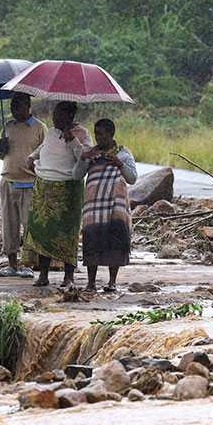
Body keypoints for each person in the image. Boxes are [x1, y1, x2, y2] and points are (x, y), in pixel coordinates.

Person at [23, 101, 92, 287]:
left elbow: (86, 157)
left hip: (67, 189)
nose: (55, 118)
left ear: (70, 116)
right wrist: (32, 156)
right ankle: (43, 275)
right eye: (54, 114)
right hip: (43, 185)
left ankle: (68, 277)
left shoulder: (82, 134)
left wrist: (72, 140)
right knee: (43, 231)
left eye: (59, 115)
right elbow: (44, 147)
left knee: (67, 234)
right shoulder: (52, 131)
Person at [75, 118, 137, 293]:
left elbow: (132, 178)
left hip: (114, 206)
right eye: (96, 134)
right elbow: (76, 175)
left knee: (115, 240)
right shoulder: (91, 153)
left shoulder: (123, 153)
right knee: (92, 241)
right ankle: (91, 283)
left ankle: (112, 282)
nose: (98, 138)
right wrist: (83, 158)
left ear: (111, 134)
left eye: (101, 134)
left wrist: (119, 163)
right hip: (93, 207)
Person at [0, 93, 45, 278]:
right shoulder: (8, 126)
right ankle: (12, 264)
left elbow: (44, 153)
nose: (14, 110)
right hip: (8, 181)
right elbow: (1, 155)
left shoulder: (39, 127)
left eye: (18, 106)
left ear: (28, 106)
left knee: (29, 225)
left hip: (30, 182)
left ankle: (28, 264)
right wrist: (2, 148)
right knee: (9, 224)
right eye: (12, 107)